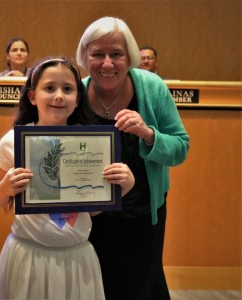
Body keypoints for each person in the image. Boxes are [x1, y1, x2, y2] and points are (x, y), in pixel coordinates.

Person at [0, 56, 135, 300]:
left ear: (78, 99)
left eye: (67, 89)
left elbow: (91, 210)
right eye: (49, 88)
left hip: (77, 257)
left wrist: (124, 186)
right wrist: (5, 187)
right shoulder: (12, 142)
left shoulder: (93, 147)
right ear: (33, 97)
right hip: (28, 257)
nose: (58, 96)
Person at [76, 16, 190, 300]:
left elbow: (181, 148)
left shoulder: (152, 88)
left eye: (116, 54)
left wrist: (149, 134)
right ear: (84, 57)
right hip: (92, 217)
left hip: (143, 216)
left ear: (130, 56)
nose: (107, 63)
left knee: (142, 287)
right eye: (98, 54)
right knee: (95, 286)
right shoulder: (75, 92)